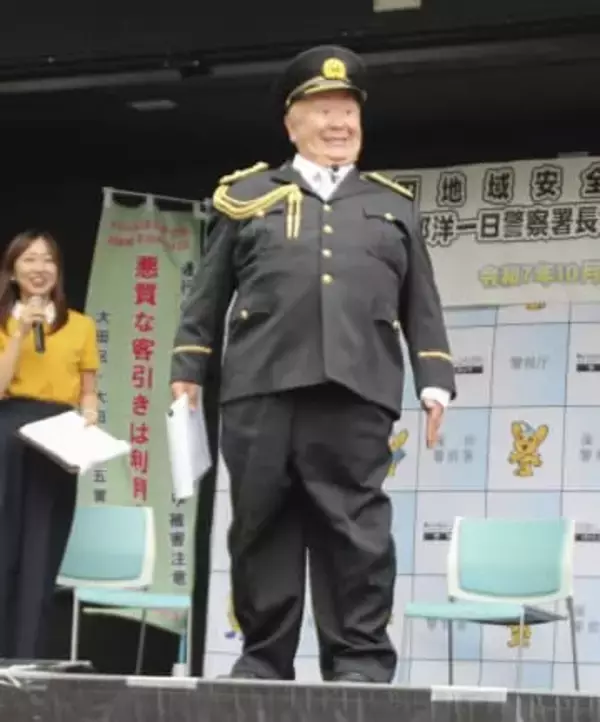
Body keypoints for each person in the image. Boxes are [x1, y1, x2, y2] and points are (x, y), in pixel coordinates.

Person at [170, 45, 456, 684]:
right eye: (324, 110)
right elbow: (208, 293)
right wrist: (188, 368)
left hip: (357, 389)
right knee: (261, 525)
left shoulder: (393, 205)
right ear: (291, 122)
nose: (339, 123)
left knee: (356, 530)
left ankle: (359, 661)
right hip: (261, 387)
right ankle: (263, 660)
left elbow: (422, 303)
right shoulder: (247, 196)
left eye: (349, 111)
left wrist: (435, 382)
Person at [0, 230, 100, 659]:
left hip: (60, 435)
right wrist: (20, 332)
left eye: (47, 260)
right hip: (8, 431)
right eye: (29, 259)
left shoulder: (81, 325)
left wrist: (90, 415)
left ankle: (27, 659)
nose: (39, 268)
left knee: (42, 550)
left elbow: (89, 390)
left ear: (58, 270)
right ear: (12, 271)